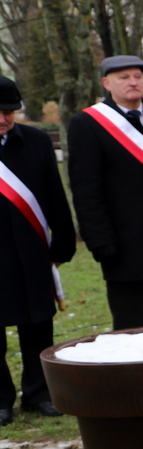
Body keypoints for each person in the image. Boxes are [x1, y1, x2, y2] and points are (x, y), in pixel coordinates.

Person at [67, 55, 143, 330]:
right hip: (121, 243)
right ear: (107, 83)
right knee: (130, 326)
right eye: (124, 78)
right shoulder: (87, 124)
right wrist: (98, 239)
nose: (133, 83)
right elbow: (86, 189)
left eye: (137, 76)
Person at [0, 77, 77, 424]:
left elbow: (54, 193)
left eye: (9, 111)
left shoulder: (35, 141)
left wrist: (62, 241)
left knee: (38, 326)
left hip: (31, 251)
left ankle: (38, 393)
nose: (4, 119)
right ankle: (1, 401)